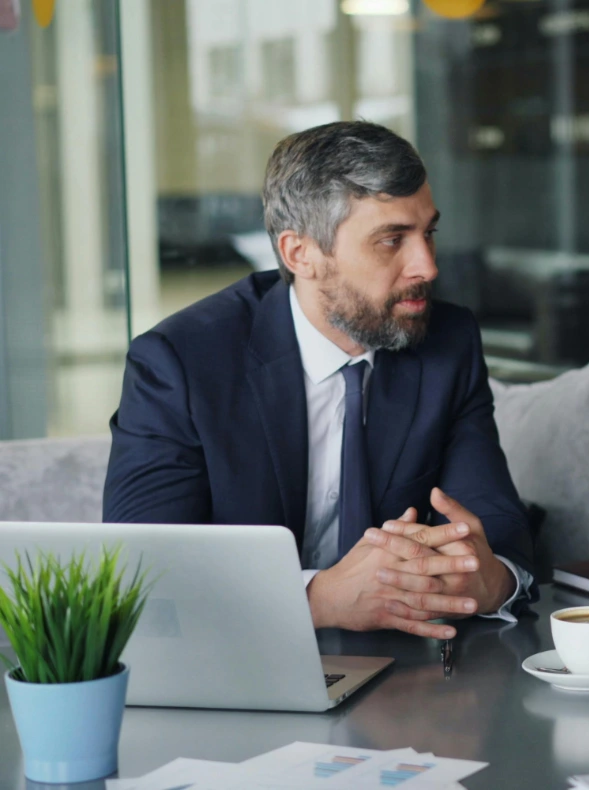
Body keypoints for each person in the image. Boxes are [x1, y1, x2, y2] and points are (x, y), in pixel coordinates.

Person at [104, 121, 534, 640]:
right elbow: (146, 573)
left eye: (429, 233)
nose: (426, 265)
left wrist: (491, 582)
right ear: (299, 254)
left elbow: (498, 529)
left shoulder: (448, 342)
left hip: (405, 676)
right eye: (391, 240)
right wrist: (317, 599)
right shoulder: (180, 363)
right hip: (237, 667)